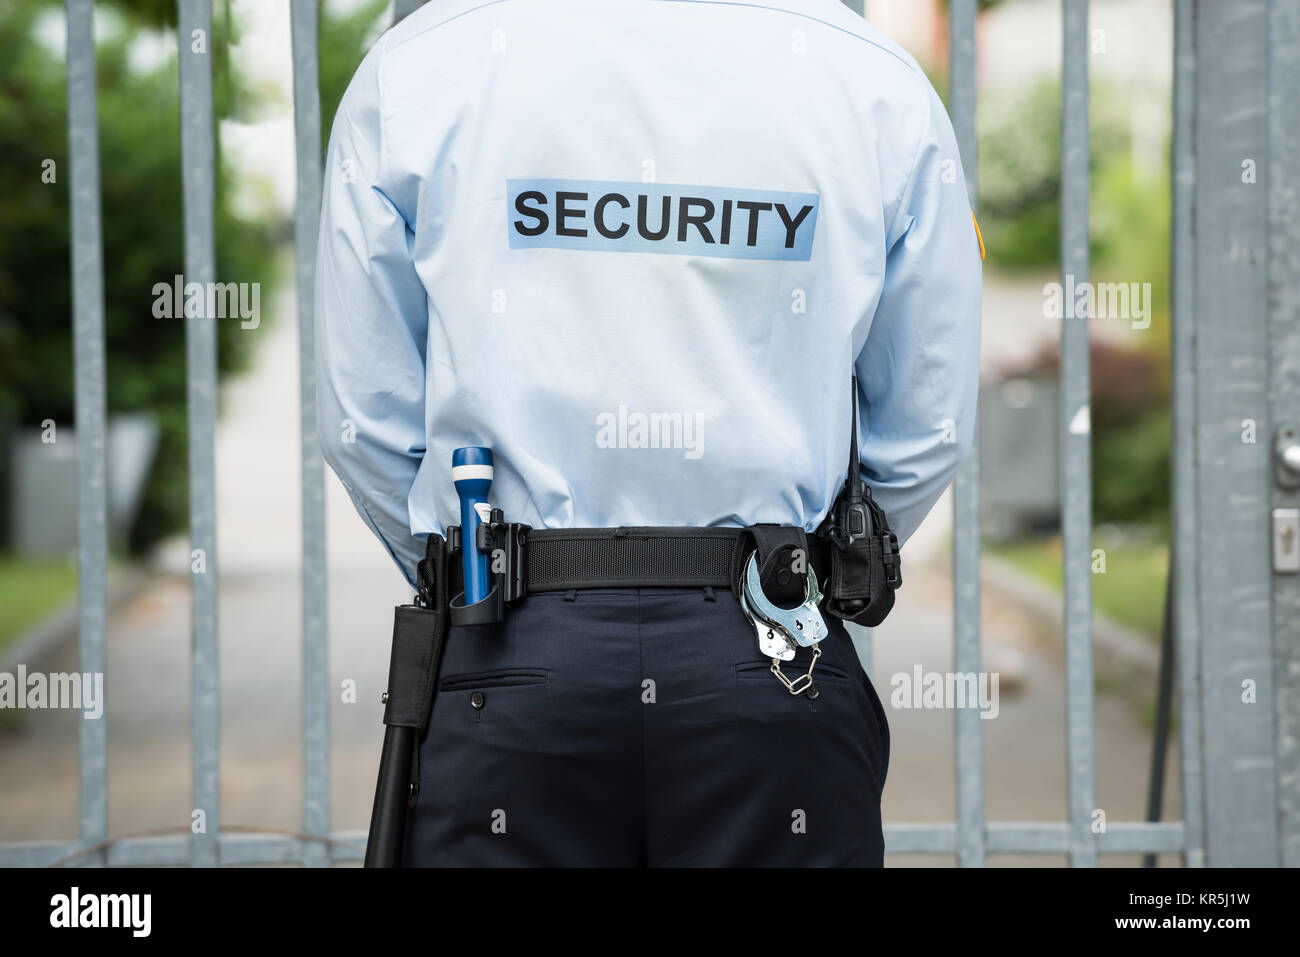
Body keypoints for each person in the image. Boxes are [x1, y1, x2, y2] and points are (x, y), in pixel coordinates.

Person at [316, 0, 981, 867]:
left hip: (508, 651)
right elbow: (926, 423)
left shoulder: (418, 68)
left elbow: (364, 419)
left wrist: (481, 576)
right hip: (774, 650)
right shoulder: (872, 79)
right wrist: (810, 571)